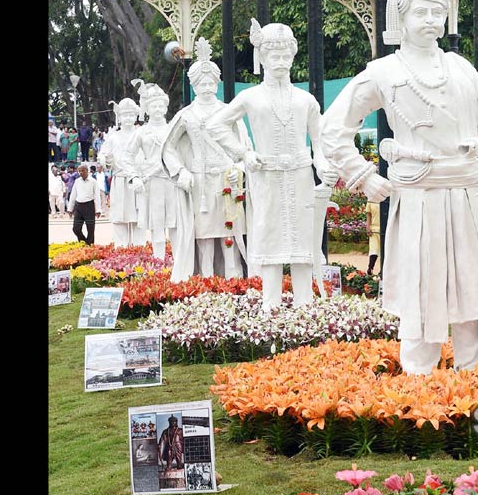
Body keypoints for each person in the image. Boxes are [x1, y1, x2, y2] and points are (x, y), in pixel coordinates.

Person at [320, 0, 478, 375]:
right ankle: (419, 388)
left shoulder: (461, 68)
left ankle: (475, 383)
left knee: (473, 296)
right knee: (419, 298)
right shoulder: (382, 72)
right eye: (422, 11)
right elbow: (331, 129)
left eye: (438, 12)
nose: (431, 20)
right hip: (417, 199)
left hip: (469, 195)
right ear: (402, 14)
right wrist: (362, 175)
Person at [207, 20, 334, 310]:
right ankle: (271, 304)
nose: (280, 62)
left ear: (293, 57)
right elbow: (217, 125)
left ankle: (305, 304)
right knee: (271, 237)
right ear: (262, 58)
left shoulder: (306, 100)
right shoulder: (250, 97)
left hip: (301, 175)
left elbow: (319, 144)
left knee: (302, 242)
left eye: (285, 56)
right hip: (267, 176)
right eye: (273, 56)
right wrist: (243, 152)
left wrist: (323, 164)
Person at [162, 37, 251, 280]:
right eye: (201, 81)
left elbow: (244, 148)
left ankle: (234, 281)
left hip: (226, 179)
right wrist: (180, 171)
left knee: (229, 236)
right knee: (204, 238)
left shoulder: (228, 111)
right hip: (199, 183)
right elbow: (168, 147)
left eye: (211, 80)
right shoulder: (186, 115)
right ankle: (205, 282)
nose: (206, 85)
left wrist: (240, 167)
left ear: (217, 82)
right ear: (193, 84)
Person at [126, 81, 180, 260]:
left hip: (173, 181)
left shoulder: (174, 128)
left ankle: (179, 263)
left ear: (165, 107)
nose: (157, 109)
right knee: (157, 227)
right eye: (153, 106)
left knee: (176, 225)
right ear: (147, 109)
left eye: (160, 105)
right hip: (152, 182)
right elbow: (127, 156)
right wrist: (134, 177)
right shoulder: (141, 132)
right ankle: (159, 265)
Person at [99, 99, 148, 247]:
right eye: (124, 115)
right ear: (119, 117)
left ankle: (140, 251)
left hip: (138, 182)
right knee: (120, 218)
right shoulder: (113, 137)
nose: (127, 118)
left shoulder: (142, 134)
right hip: (120, 181)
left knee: (139, 219)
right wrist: (104, 159)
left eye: (131, 115)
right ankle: (121, 252)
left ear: (136, 116)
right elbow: (103, 154)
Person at [67, 164, 101, 244]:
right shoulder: (77, 181)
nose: (81, 173)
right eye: (79, 171)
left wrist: (98, 210)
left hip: (89, 206)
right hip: (78, 207)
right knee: (76, 229)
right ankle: (84, 243)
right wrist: (70, 209)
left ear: (87, 171)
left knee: (90, 229)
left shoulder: (93, 181)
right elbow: (73, 195)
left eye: (82, 171)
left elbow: (97, 196)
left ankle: (90, 247)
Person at [366, 200, 381, 275]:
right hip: (374, 229)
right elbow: (369, 214)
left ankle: (383, 270)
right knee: (373, 249)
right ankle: (370, 268)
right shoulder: (370, 199)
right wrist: (368, 227)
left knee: (384, 250)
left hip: (385, 228)